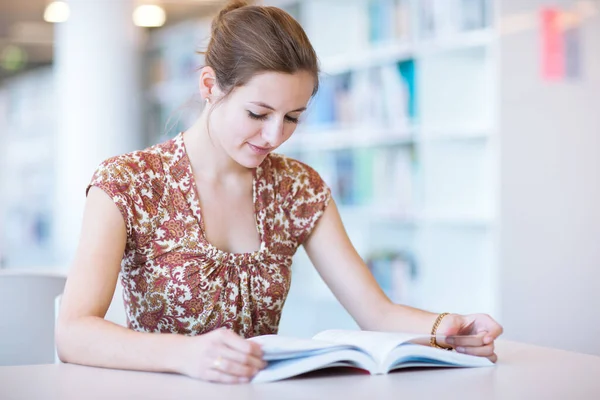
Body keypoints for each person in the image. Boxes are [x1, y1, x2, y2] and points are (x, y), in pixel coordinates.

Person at [56, 0, 503, 384]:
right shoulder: (129, 181)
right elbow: (74, 331)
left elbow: (376, 313)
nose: (274, 135)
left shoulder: (298, 188)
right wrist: (187, 355)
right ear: (210, 86)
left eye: (292, 117)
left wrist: (450, 328)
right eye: (258, 112)